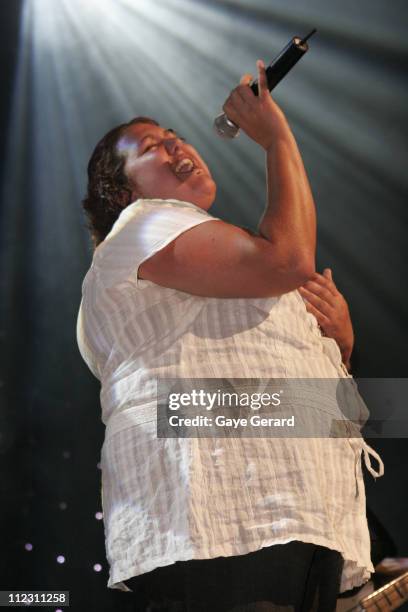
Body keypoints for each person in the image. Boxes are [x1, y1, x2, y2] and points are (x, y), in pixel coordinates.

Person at [76, 60, 384, 611]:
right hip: (220, 522)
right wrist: (277, 139)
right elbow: (289, 259)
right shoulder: (141, 227)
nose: (174, 146)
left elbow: (290, 389)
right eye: (151, 147)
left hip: (294, 512)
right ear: (120, 193)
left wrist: (338, 346)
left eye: (175, 136)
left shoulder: (201, 262)